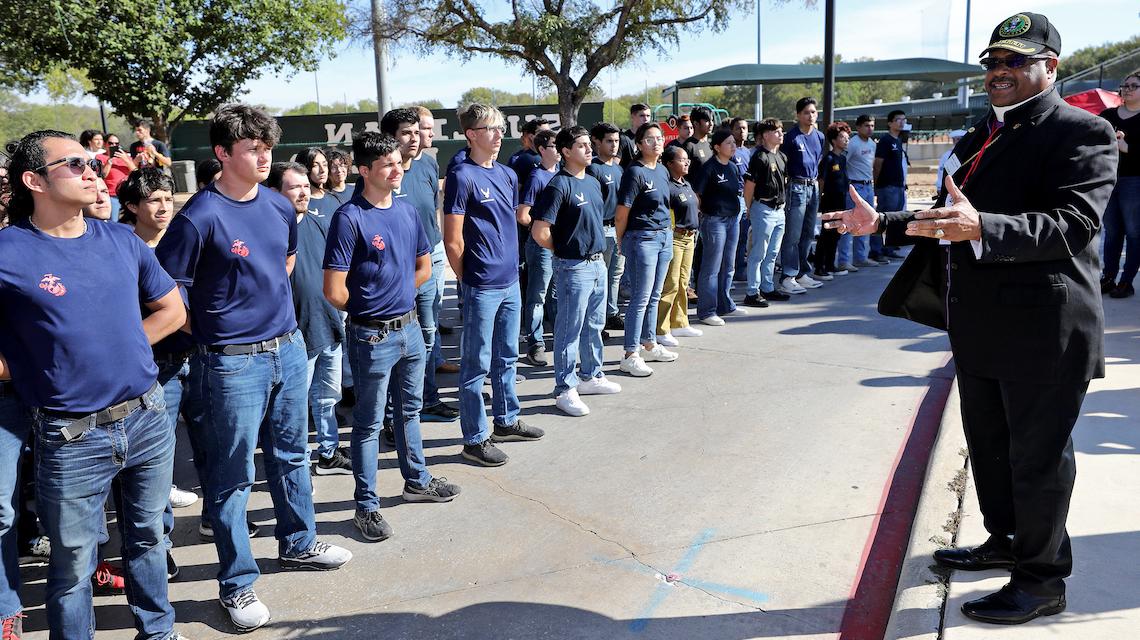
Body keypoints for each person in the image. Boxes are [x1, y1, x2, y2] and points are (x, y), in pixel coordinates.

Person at [823, 12, 1118, 625]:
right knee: (991, 448)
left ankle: (1041, 581)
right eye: (992, 63)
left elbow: (1074, 224)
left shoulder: (1081, 132)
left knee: (1037, 459)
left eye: (1014, 61)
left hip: (1045, 331)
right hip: (982, 326)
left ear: (1049, 67)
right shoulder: (989, 131)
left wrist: (985, 226)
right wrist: (883, 223)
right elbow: (945, 213)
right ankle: (1006, 541)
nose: (998, 72)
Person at [157, 104, 351, 632]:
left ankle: (299, 543)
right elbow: (167, 291)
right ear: (222, 153)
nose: (264, 156)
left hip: (288, 348)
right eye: (252, 148)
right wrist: (217, 332)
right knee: (232, 477)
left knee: (292, 453)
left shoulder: (277, 206)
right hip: (230, 364)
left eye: (268, 147)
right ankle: (236, 584)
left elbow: (284, 261)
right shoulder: (199, 216)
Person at [0, 130, 187, 640]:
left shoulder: (121, 241)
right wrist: (33, 362)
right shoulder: (8, 252)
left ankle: (159, 631)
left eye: (92, 162)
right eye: (74, 163)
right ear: (33, 180)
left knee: (149, 540)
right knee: (73, 566)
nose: (92, 170)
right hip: (70, 439)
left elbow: (172, 309)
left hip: (148, 418)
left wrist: (126, 344)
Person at [324, 131, 461, 542]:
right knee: (367, 424)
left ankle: (416, 481)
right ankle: (366, 506)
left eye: (397, 162)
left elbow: (423, 265)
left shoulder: (405, 212)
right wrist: (372, 309)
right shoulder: (349, 218)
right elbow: (334, 290)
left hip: (411, 330)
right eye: (386, 164)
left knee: (410, 412)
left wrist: (399, 297)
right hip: (371, 337)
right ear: (363, 170)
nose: (397, 168)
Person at [443, 103, 545, 468]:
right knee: (476, 364)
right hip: (481, 284)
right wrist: (467, 277)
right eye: (490, 128)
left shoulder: (506, 174)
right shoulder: (461, 175)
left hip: (509, 280)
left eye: (501, 128)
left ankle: (506, 421)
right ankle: (474, 438)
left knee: (507, 357)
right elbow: (453, 240)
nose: (499, 134)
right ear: (471, 134)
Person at [265, 162, 351, 476]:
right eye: (294, 187)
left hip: (329, 326)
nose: (304, 192)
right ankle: (296, 469)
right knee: (294, 408)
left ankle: (328, 454)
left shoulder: (318, 224)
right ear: (274, 192)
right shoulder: (269, 232)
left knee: (328, 397)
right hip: (293, 337)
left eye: (305, 186)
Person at [530, 126, 622, 416]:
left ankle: (591, 376)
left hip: (597, 264)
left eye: (587, 144)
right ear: (566, 152)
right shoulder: (559, 185)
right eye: (581, 146)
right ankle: (564, 389)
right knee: (569, 331)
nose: (588, 149)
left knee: (594, 325)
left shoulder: (593, 182)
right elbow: (539, 230)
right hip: (573, 267)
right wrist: (562, 251)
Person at [379, 108, 460, 424]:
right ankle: (391, 414)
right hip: (394, 271)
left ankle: (426, 400)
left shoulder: (427, 163)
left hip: (430, 261)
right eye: (405, 133)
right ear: (391, 137)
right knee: (394, 343)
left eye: (416, 132)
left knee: (427, 335)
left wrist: (437, 250)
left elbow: (433, 210)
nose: (413, 139)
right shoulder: (382, 172)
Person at [615, 122, 678, 377]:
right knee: (640, 298)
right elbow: (622, 213)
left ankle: (649, 343)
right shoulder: (634, 172)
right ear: (639, 145)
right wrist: (621, 241)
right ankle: (631, 353)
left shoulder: (662, 170)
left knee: (654, 295)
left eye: (659, 138)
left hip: (664, 237)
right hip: (642, 239)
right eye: (649, 139)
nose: (656, 142)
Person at [518, 129, 561, 366]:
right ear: (542, 150)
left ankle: (557, 337)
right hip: (540, 246)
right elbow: (522, 214)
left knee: (555, 294)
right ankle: (535, 344)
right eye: (554, 146)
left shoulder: (561, 174)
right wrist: (540, 229)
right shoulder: (537, 177)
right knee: (538, 295)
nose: (558, 150)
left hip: (557, 245)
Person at [1099, 70, 1140, 299]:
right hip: (1108, 179)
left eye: (1134, 85)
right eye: (1125, 85)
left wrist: (1128, 148)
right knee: (1112, 232)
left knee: (1134, 233)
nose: (1128, 89)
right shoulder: (1107, 115)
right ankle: (1108, 277)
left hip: (1134, 182)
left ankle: (1126, 281)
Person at [655, 145, 703, 343]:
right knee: (671, 283)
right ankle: (661, 328)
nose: (687, 162)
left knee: (683, 282)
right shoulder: (667, 186)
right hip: (675, 238)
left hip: (690, 238)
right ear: (669, 163)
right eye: (682, 160)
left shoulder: (685, 184)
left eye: (687, 159)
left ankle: (680, 323)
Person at [779, 97, 826, 295]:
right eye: (806, 112)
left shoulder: (820, 136)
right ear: (798, 115)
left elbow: (818, 161)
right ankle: (788, 276)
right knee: (793, 234)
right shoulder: (791, 137)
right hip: (796, 187)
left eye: (813, 112)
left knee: (808, 233)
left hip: (813, 186)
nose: (811, 116)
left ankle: (803, 273)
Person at [742, 118, 792, 305]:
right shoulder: (759, 157)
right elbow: (750, 185)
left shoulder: (782, 156)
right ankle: (752, 292)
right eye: (776, 130)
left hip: (779, 210)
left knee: (772, 252)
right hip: (763, 208)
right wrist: (749, 208)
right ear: (764, 135)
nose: (781, 133)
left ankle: (767, 286)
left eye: (781, 130)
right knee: (758, 252)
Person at [587, 122, 626, 332]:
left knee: (615, 275)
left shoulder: (618, 168)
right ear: (597, 142)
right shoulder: (593, 169)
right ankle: (597, 322)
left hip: (618, 228)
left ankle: (611, 313)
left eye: (617, 141)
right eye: (609, 141)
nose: (614, 145)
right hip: (600, 229)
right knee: (599, 278)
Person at [814, 122, 851, 279]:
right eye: (842, 137)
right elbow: (821, 181)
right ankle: (819, 267)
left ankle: (830, 264)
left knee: (836, 233)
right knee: (826, 233)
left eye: (847, 137)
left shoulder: (842, 159)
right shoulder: (828, 159)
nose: (846, 140)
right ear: (834, 140)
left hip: (841, 200)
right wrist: (818, 200)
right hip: (829, 200)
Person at [844, 114, 883, 268]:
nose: (870, 128)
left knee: (866, 221)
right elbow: (843, 165)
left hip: (868, 185)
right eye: (866, 125)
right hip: (855, 186)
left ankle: (860, 257)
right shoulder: (853, 144)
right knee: (850, 222)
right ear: (858, 127)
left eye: (872, 125)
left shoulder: (872, 144)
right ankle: (843, 261)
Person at [873, 109, 909, 261]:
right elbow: (878, 164)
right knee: (882, 218)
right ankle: (876, 251)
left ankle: (889, 248)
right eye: (898, 120)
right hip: (887, 187)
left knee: (895, 219)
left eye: (904, 120)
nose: (902, 122)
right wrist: (877, 184)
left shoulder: (898, 140)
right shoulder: (885, 140)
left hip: (898, 186)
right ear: (890, 123)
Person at [297, 148, 340, 220]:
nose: (322, 170)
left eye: (325, 164)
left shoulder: (335, 199)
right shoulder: (300, 204)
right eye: (315, 165)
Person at [103, 133, 137, 221]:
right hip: (112, 195)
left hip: (127, 194)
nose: (114, 145)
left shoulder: (125, 156)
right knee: (114, 221)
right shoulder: (100, 157)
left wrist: (125, 159)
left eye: (116, 144)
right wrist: (109, 161)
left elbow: (135, 172)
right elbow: (103, 175)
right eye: (111, 143)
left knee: (131, 220)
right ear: (105, 144)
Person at [619, 103, 653, 168]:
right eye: (642, 115)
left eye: (648, 116)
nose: (646, 119)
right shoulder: (624, 138)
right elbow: (615, 164)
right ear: (632, 116)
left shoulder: (652, 139)